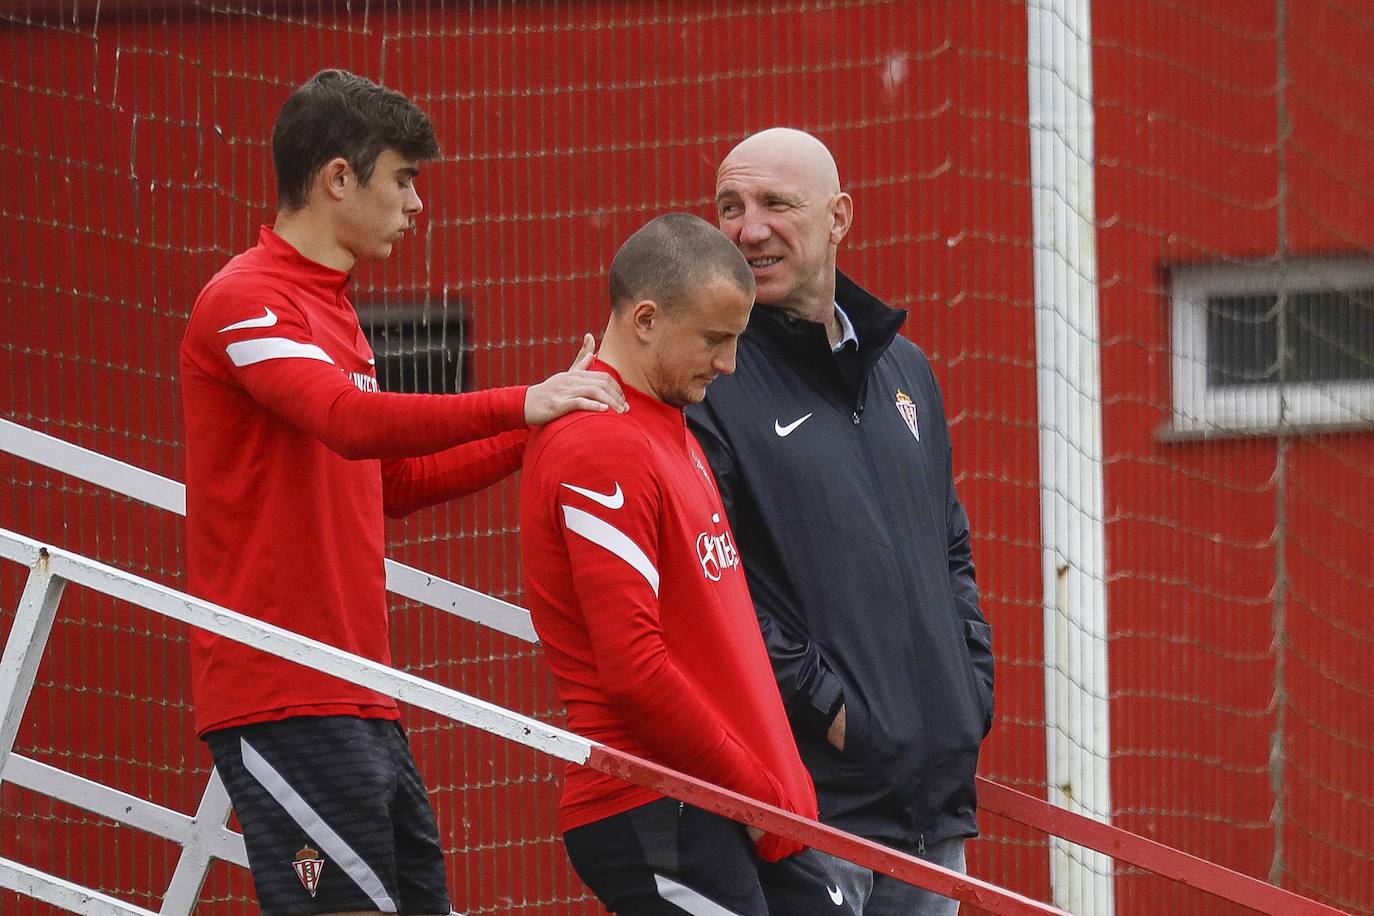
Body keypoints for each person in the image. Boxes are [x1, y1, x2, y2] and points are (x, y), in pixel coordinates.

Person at [179, 69, 626, 915]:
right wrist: (522, 400)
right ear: (337, 178)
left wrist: (534, 430)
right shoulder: (243, 299)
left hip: (360, 692)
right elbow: (348, 420)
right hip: (285, 693)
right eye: (404, 178)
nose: (417, 203)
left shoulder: (336, 310)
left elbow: (394, 481)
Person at [685, 127, 996, 915]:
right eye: (731, 206)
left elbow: (949, 547)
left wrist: (968, 686)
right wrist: (828, 707)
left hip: (936, 811)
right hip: (812, 808)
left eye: (775, 204)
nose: (748, 228)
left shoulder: (908, 370)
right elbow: (704, 573)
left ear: (839, 218)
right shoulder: (705, 379)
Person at [520, 213, 852, 915]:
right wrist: (754, 789)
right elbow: (635, 670)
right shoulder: (599, 447)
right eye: (714, 339)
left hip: (728, 800)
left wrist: (773, 789)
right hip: (655, 800)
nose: (729, 364)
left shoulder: (668, 426)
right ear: (644, 319)